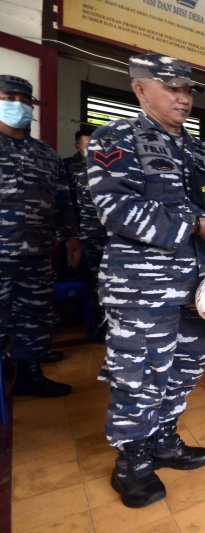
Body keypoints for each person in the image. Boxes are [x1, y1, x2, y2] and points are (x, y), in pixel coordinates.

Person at [86, 53, 205, 508]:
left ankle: (163, 440)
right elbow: (116, 209)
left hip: (197, 285)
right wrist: (194, 225)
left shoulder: (198, 149)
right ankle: (131, 462)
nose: (183, 97)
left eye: (188, 89)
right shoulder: (113, 139)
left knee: (186, 366)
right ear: (140, 89)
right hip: (141, 287)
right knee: (139, 374)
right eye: (172, 88)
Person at [0, 74, 81, 397]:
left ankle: (29, 374)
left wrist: (72, 238)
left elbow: (63, 202)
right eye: (9, 98)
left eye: (24, 100)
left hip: (36, 252)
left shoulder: (46, 156)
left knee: (34, 315)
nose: (17, 105)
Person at [64, 128, 109, 342]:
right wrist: (71, 236)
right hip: (85, 234)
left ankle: (109, 326)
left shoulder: (109, 168)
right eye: (87, 145)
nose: (92, 149)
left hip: (110, 234)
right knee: (94, 281)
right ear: (77, 146)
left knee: (109, 280)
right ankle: (98, 327)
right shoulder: (69, 167)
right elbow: (65, 203)